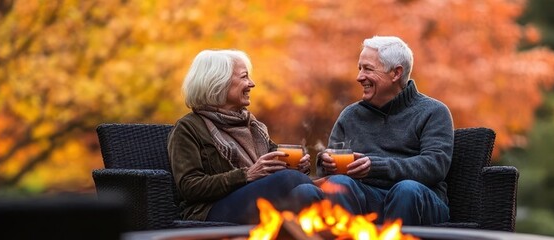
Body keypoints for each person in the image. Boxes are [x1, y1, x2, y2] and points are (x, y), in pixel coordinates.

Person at [297, 36, 454, 225]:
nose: (359, 77)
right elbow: (328, 175)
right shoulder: (350, 115)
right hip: (366, 199)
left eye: (368, 69)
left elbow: (434, 166)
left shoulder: (433, 112)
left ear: (396, 73)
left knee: (406, 190)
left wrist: (375, 166)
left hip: (419, 199)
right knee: (338, 184)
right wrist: (326, 162)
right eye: (359, 68)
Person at [168, 49, 314, 224]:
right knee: (290, 179)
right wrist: (246, 175)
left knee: (315, 189)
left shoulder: (252, 125)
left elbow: (276, 163)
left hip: (257, 201)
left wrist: (297, 166)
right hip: (211, 210)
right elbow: (189, 187)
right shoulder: (188, 128)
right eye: (244, 77)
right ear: (219, 83)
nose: (252, 84)